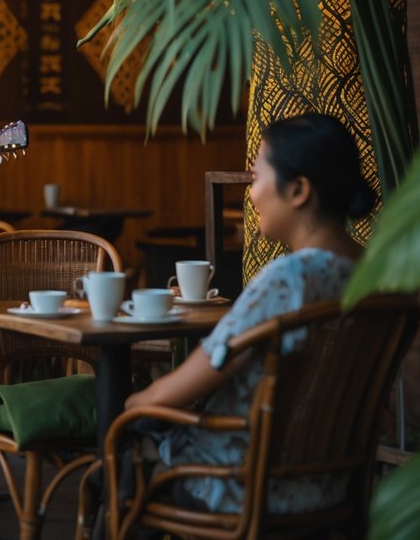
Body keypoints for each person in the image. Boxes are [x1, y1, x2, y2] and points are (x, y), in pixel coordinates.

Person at [101, 113, 376, 532]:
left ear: (298, 190)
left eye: (256, 177)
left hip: (242, 484)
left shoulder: (290, 279)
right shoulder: (373, 274)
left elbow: (178, 388)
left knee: (124, 448)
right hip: (330, 486)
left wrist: (131, 406)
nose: (251, 194)